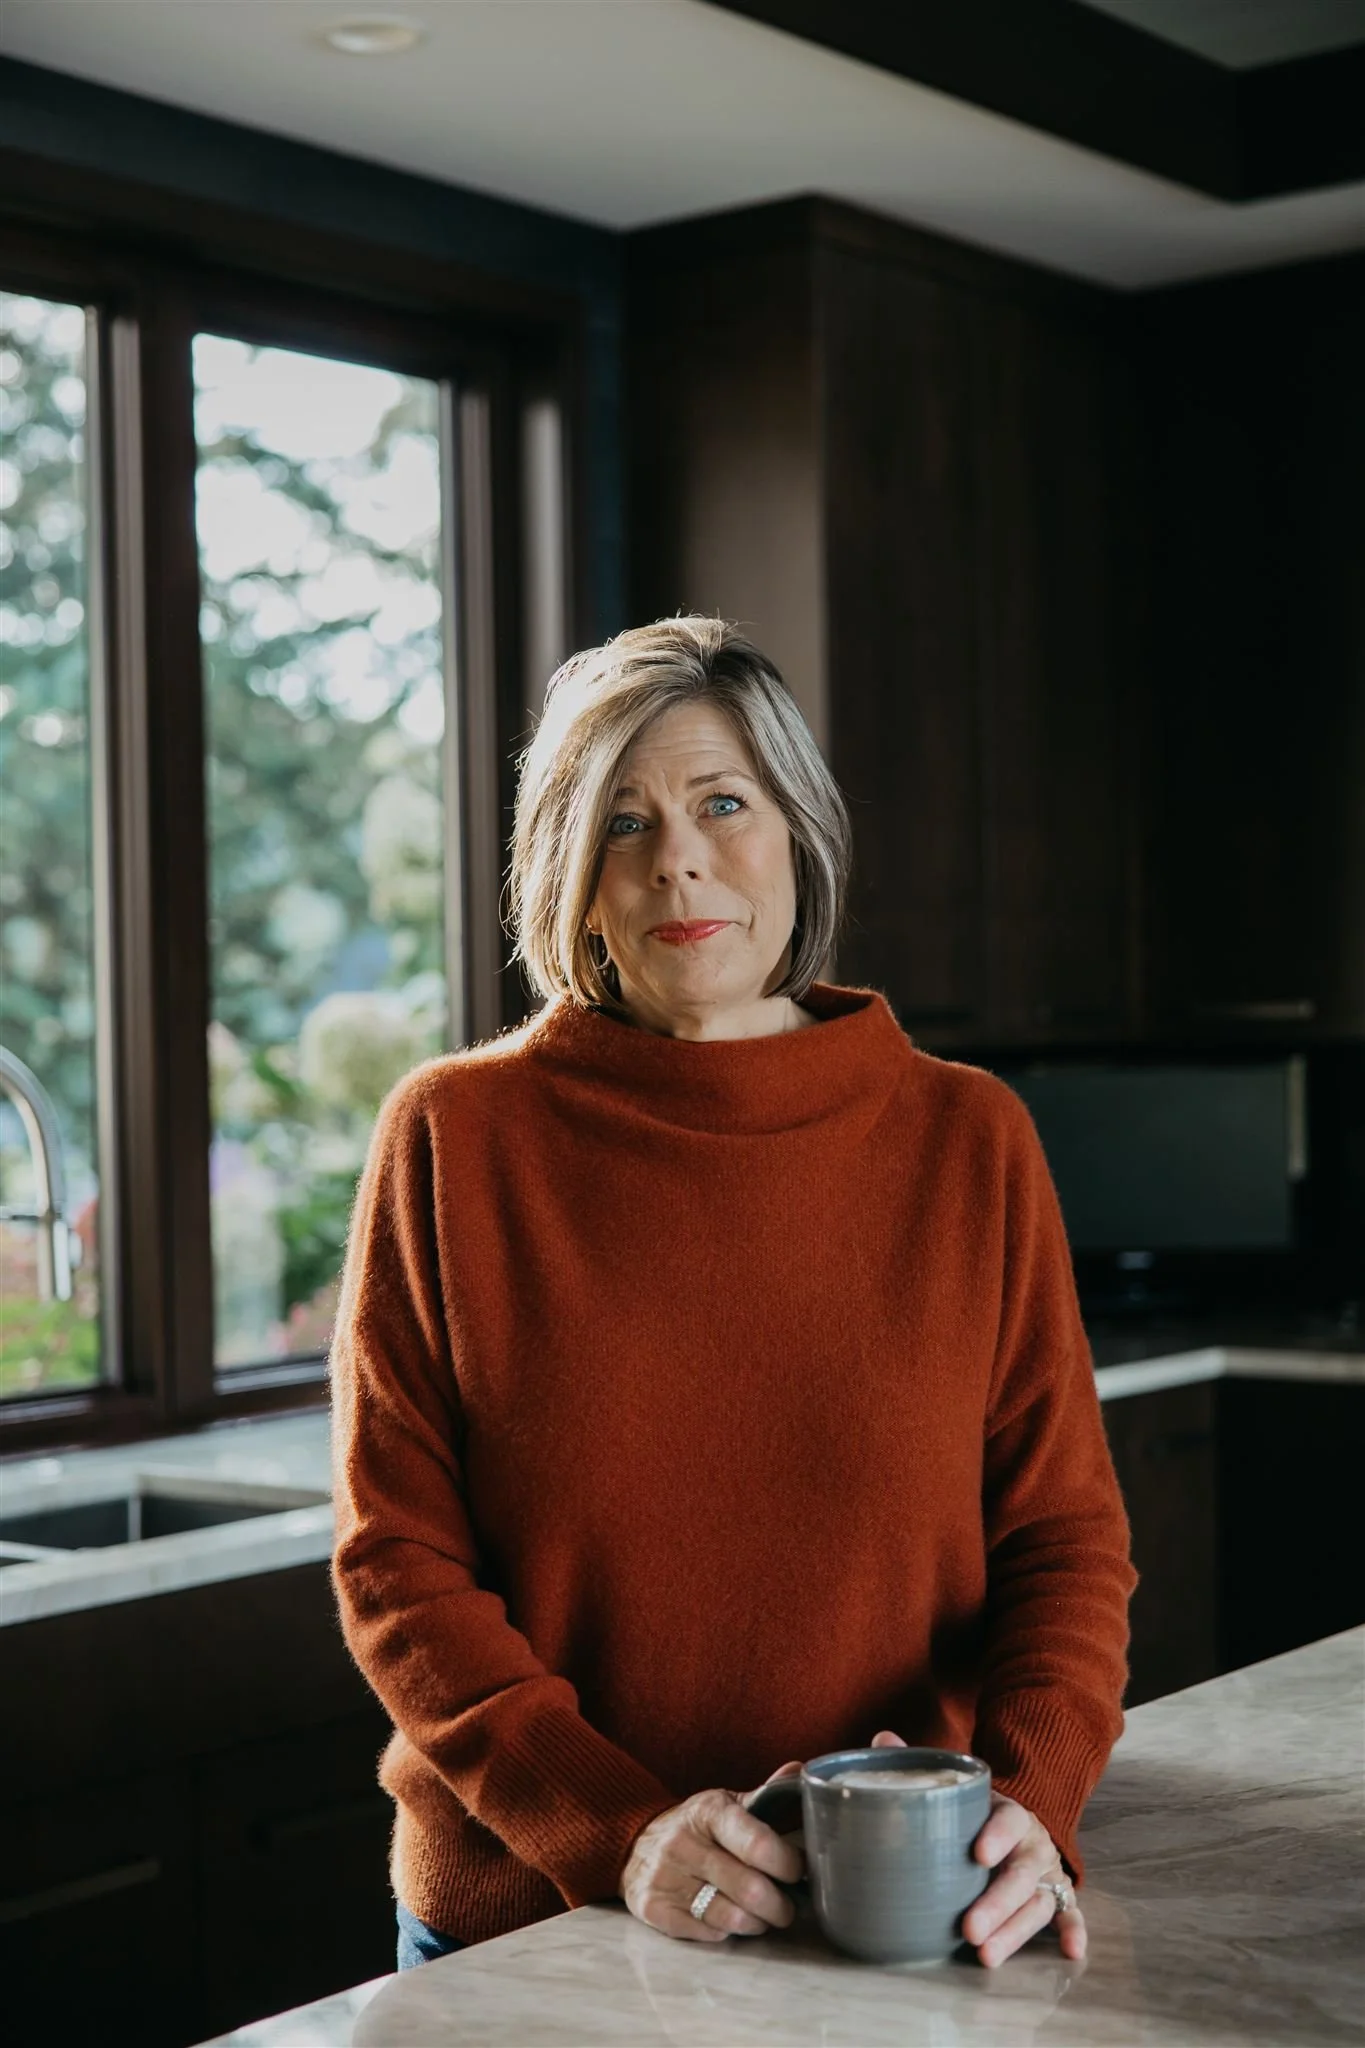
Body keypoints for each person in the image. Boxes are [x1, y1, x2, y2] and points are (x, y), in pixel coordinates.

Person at [329, 615, 1137, 1977]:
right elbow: (397, 1566)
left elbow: (1063, 1536)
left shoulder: (966, 1138)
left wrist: (1030, 1801)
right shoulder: (455, 1139)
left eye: (722, 804)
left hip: (891, 1911)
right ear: (575, 883)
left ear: (797, 835)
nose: (679, 857)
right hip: (538, 1926)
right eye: (623, 825)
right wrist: (618, 1828)